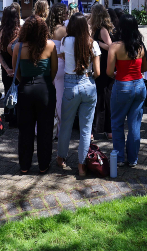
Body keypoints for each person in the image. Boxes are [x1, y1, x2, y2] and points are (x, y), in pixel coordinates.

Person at [55, 13, 101, 177]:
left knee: (66, 124)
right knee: (86, 129)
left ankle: (61, 158)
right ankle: (81, 166)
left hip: (70, 85)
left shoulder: (65, 41)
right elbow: (98, 72)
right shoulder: (92, 43)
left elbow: (62, 56)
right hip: (88, 84)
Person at [12, 16, 58, 173]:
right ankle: (43, 165)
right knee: (45, 129)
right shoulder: (50, 45)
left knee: (25, 130)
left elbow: (16, 71)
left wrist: (25, 81)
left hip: (25, 89)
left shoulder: (18, 47)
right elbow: (54, 71)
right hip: (45, 89)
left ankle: (24, 166)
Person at [106, 13, 147, 167]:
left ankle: (119, 158)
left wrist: (117, 73)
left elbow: (109, 72)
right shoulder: (140, 46)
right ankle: (133, 159)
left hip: (122, 85)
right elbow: (144, 67)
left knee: (117, 123)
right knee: (134, 124)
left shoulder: (115, 46)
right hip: (139, 85)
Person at [90, 4, 116, 138]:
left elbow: (110, 46)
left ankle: (100, 129)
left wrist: (96, 42)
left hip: (105, 64)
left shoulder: (102, 30)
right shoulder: (98, 28)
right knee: (103, 97)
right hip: (102, 64)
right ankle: (105, 129)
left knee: (102, 98)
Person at [0, 6, 22, 127]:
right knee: (19, 90)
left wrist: (6, 68)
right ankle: (17, 116)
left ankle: (8, 114)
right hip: (18, 65)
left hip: (6, 65)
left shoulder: (0, 32)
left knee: (8, 90)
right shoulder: (20, 31)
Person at [46, 4, 67, 136]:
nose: (67, 14)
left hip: (46, 64)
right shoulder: (64, 30)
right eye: (65, 13)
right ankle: (60, 130)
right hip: (60, 65)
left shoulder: (45, 28)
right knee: (60, 99)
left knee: (48, 98)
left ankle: (46, 128)